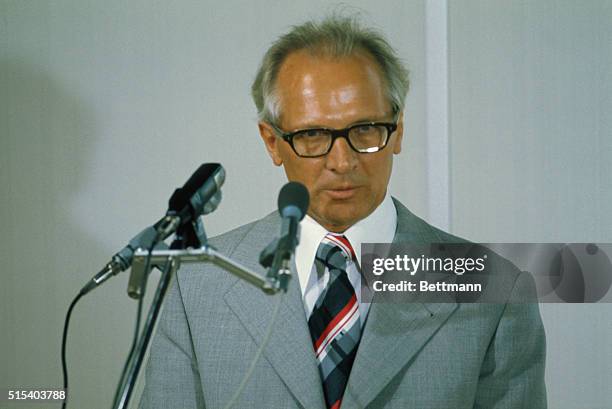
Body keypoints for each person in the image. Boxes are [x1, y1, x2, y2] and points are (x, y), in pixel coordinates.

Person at [139, 15, 546, 409]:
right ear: (271, 142)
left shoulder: (496, 290)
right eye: (313, 135)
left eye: (365, 129)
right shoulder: (198, 287)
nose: (342, 161)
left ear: (398, 130)